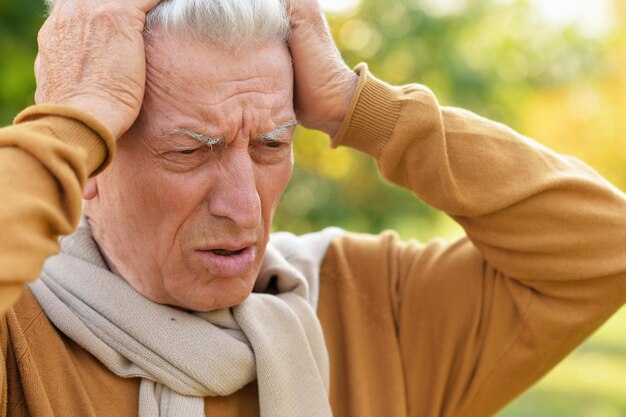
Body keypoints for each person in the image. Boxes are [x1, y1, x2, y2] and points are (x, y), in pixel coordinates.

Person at [0, 0, 625, 416]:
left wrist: (364, 107)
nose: (243, 205)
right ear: (92, 165)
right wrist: (70, 123)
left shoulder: (366, 306)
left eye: (273, 144)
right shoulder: (18, 335)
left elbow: (609, 245)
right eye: (190, 152)